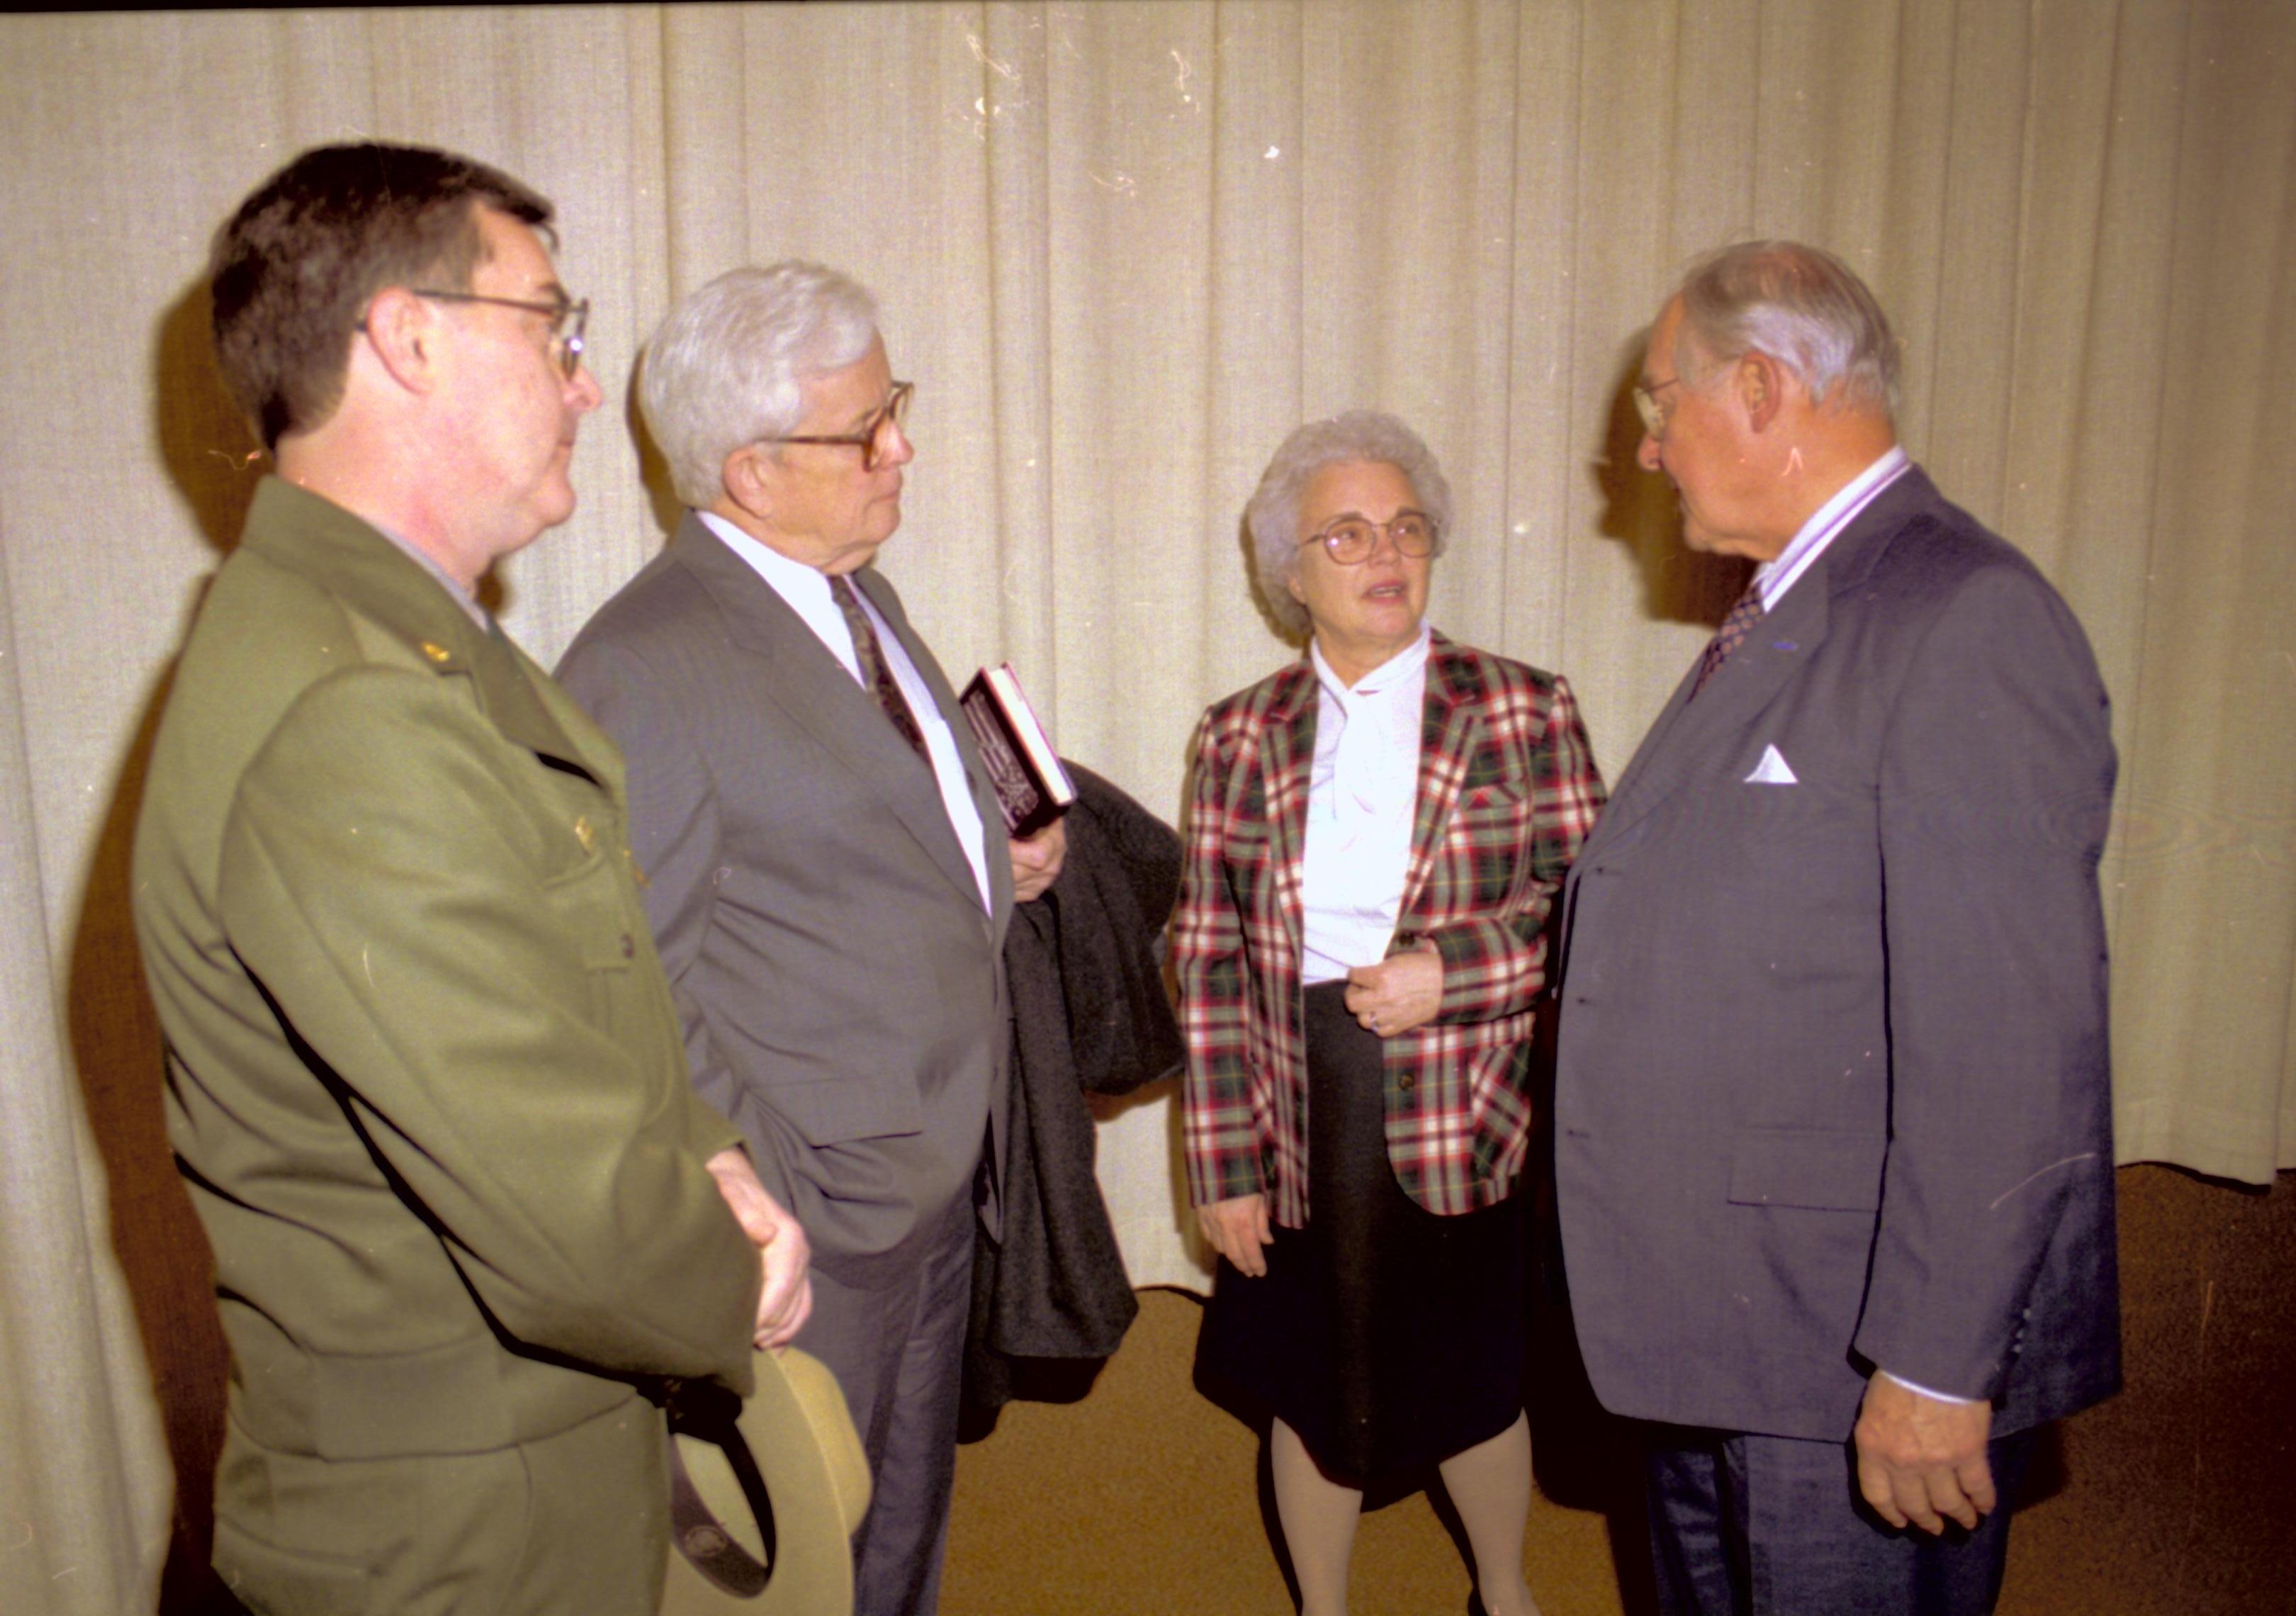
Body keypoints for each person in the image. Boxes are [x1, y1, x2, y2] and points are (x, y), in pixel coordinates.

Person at [130, 143, 811, 1615]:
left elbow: (557, 997)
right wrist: (734, 1272)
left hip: (508, 1491)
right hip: (460, 1552)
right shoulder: (350, 707)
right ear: (408, 338)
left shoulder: (396, 644)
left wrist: (707, 1149)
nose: (584, 382)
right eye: (554, 329)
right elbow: (571, 1233)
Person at [1552, 241, 2120, 1615]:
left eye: (1659, 402)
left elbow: (2007, 1039)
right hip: (1725, 1330)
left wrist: (1934, 1367)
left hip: (1850, 1356)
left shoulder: (1960, 614)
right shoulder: (1794, 609)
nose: (1645, 449)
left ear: (1760, 389)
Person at [556, 262, 1060, 1616]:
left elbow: (846, 841)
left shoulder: (859, 598)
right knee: (799, 1561)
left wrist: (990, 862)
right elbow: (622, 983)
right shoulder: (639, 664)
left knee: (899, 1543)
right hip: (813, 1225)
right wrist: (775, 1187)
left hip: (936, 1179)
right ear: (752, 470)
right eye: (865, 428)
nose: (902, 444)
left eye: (892, 403)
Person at [1175, 411, 1605, 1616]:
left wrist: (1451, 972)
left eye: (1406, 527)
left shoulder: (1521, 707)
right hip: (1301, 1105)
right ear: (1291, 569)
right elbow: (1207, 961)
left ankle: (1507, 1593)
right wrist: (1221, 1167)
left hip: (1466, 1100)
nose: (1386, 554)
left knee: (1473, 1372)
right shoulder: (1238, 734)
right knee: (1320, 1379)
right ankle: (1325, 1608)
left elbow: (1591, 917)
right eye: (1348, 533)